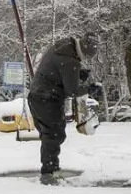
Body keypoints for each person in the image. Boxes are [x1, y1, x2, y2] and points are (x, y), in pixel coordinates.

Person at [27, 32, 101, 183]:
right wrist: (90, 89)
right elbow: (72, 91)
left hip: (37, 95)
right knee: (54, 134)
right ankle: (48, 172)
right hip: (47, 99)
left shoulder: (65, 45)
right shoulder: (70, 61)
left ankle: (51, 167)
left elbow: (57, 71)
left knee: (50, 134)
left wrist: (78, 75)